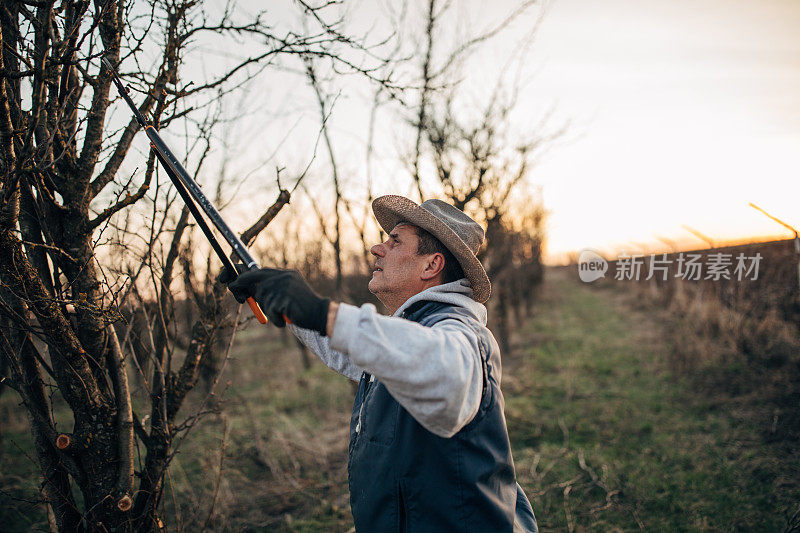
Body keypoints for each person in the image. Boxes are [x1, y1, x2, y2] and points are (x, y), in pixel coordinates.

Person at [223, 195, 538, 532]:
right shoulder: (408, 334)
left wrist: (322, 312)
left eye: (395, 241)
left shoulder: (460, 333)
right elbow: (351, 349)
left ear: (431, 265)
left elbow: (444, 375)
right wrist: (278, 298)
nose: (377, 248)